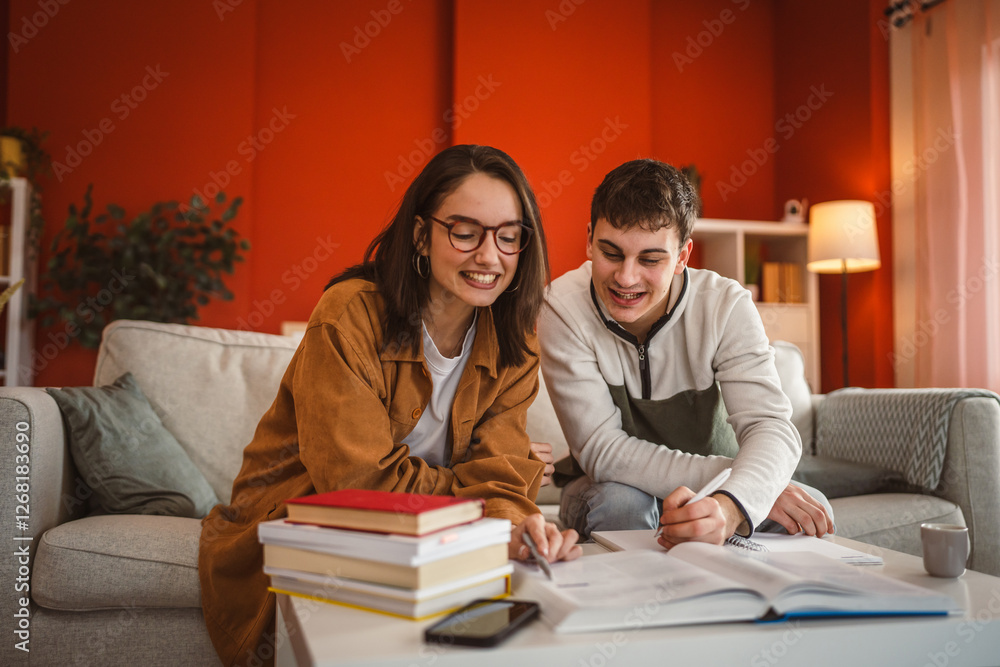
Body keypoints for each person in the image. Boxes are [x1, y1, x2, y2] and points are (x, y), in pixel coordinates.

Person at [199, 144, 581, 667]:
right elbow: (359, 486)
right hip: (308, 520)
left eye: (508, 236)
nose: (490, 257)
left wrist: (517, 522)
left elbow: (503, 479)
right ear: (422, 234)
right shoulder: (348, 318)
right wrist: (481, 487)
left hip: (427, 533)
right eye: (465, 232)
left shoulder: (515, 345)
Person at [538, 158, 833, 549]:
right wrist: (741, 483)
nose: (626, 278)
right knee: (625, 504)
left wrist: (732, 503)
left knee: (810, 512)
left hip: (716, 489)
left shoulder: (725, 305)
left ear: (682, 256)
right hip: (609, 486)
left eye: (650, 259)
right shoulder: (561, 307)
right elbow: (602, 451)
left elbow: (770, 426)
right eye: (610, 253)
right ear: (589, 239)